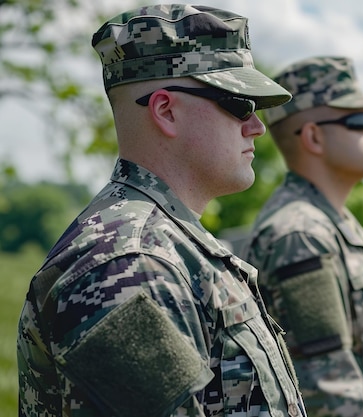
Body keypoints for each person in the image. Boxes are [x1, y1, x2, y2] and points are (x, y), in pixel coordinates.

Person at [17, 5, 306, 417]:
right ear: (166, 111)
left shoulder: (168, 247)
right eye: (240, 104)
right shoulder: (130, 265)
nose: (256, 125)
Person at [241, 56, 363, 417]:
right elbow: (329, 397)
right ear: (313, 136)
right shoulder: (301, 235)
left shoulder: (334, 223)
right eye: (360, 121)